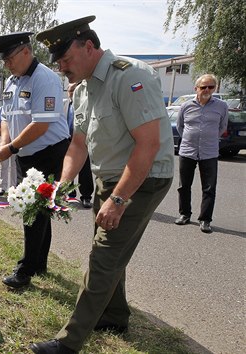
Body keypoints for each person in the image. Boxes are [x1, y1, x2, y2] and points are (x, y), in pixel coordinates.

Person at [28, 16, 174, 354]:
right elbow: (78, 145)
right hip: (108, 179)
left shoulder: (131, 76)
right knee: (112, 251)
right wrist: (62, 186)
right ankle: (115, 316)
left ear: (89, 46)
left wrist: (119, 200)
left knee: (104, 256)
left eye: (66, 59)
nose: (62, 67)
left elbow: (148, 145)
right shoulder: (83, 89)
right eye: (59, 62)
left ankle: (67, 343)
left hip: (142, 181)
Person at [0, 31, 70, 288]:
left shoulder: (44, 79)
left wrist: (11, 148)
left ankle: (25, 271)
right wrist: (5, 142)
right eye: (4, 60)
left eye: (10, 58)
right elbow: (5, 115)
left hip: (48, 152)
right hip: (25, 152)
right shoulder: (13, 80)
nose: (7, 64)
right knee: (40, 211)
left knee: (32, 210)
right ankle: (39, 263)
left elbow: (41, 124)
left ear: (26, 51)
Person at [175, 74, 228, 233]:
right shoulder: (186, 106)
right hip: (187, 151)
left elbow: (222, 127)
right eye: (203, 87)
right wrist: (190, 139)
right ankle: (184, 214)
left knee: (209, 188)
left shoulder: (221, 106)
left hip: (209, 152)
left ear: (215, 88)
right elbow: (180, 127)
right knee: (184, 186)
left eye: (210, 87)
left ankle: (205, 219)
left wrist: (208, 138)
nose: (206, 90)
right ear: (196, 88)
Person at [64, 82, 94, 208]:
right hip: (67, 140)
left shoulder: (85, 103)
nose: (72, 93)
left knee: (85, 169)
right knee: (67, 167)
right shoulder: (64, 104)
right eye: (70, 91)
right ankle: (70, 194)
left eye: (74, 90)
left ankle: (86, 196)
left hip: (82, 141)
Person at [0, 106, 17, 196]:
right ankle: (3, 188)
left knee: (14, 165)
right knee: (4, 165)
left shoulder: (17, 108)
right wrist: (5, 137)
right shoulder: (1, 109)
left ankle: (14, 188)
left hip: (16, 141)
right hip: (3, 141)